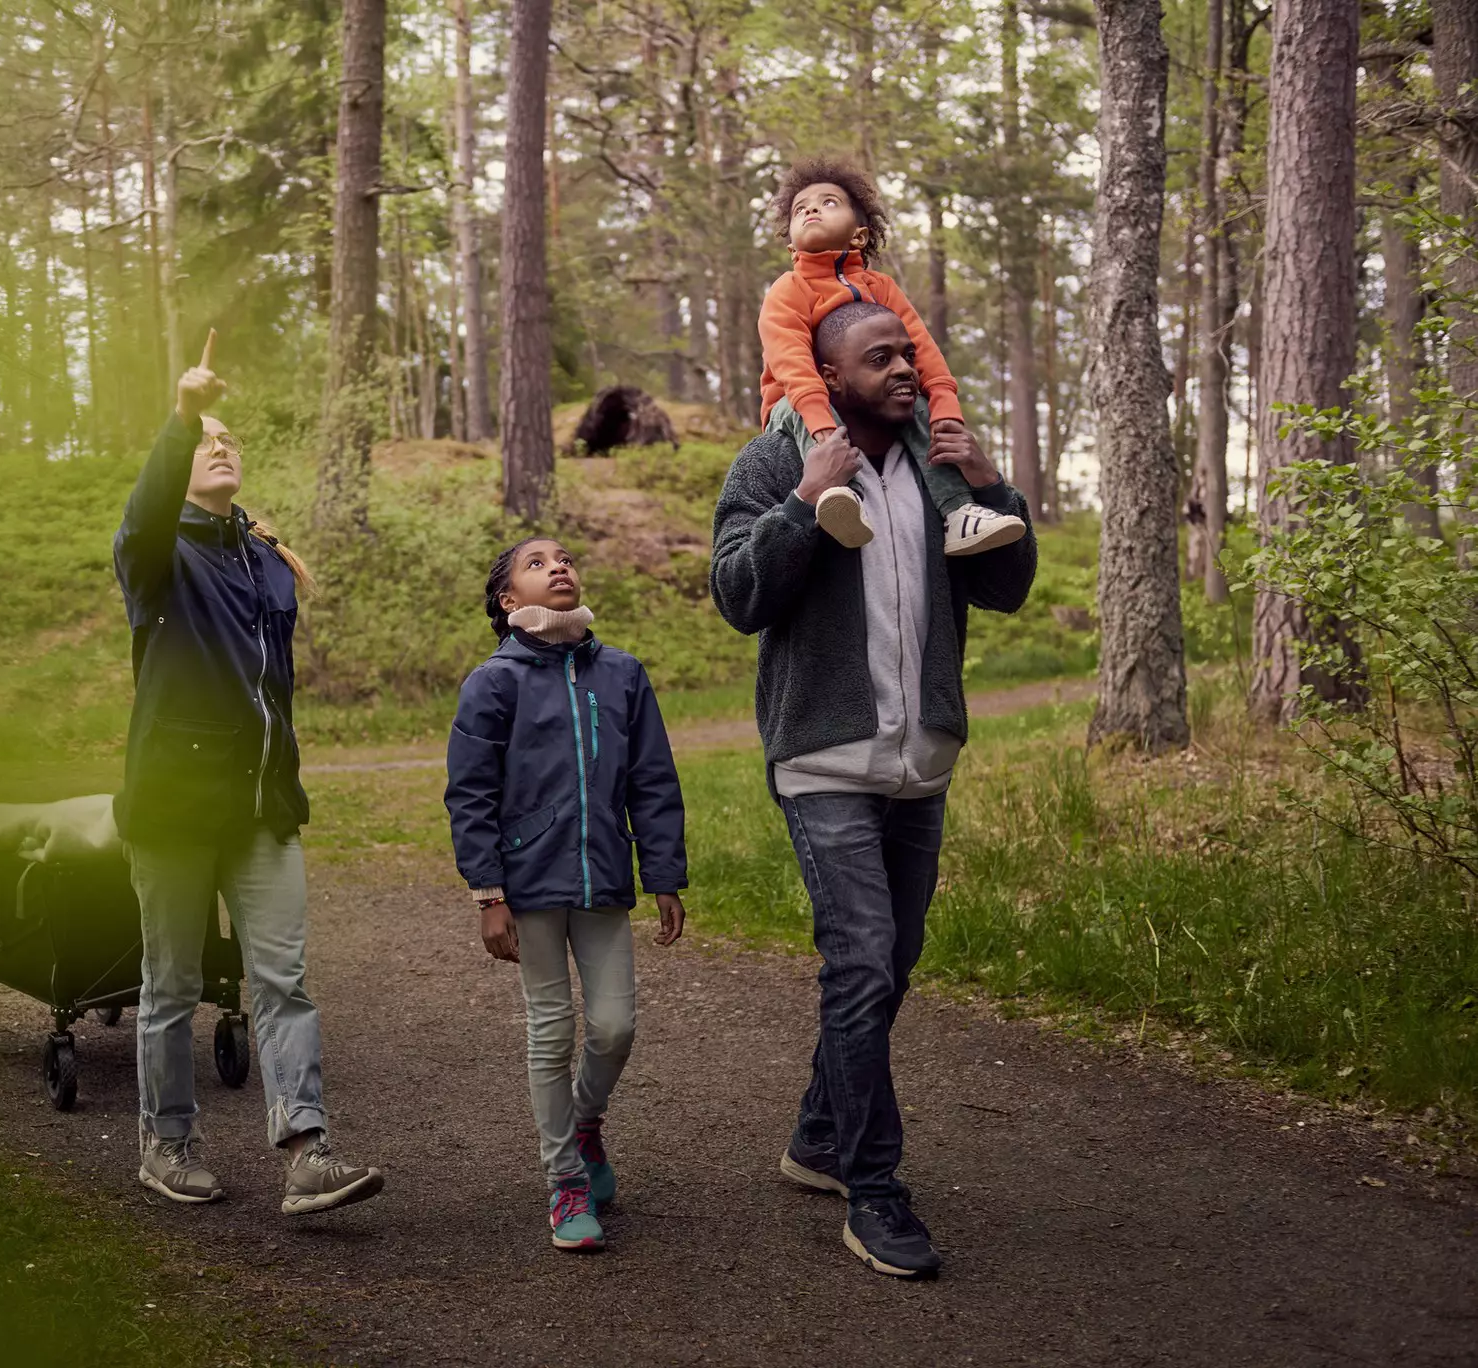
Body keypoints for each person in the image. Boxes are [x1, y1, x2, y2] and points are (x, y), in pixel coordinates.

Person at [710, 302, 1037, 1278]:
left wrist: (989, 482)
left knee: (891, 964)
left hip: (920, 759)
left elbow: (1007, 587)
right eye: (878, 356)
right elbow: (737, 593)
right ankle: (874, 1188)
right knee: (858, 963)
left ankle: (818, 1134)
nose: (904, 368)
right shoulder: (774, 461)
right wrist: (804, 503)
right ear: (825, 371)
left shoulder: (937, 464)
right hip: (821, 759)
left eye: (908, 352)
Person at [113, 331, 383, 1216]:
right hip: (176, 808)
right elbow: (143, 516)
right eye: (204, 441)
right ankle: (168, 1142)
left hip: (264, 808)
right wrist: (179, 416)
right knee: (171, 987)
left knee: (283, 980)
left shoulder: (264, 558)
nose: (220, 445)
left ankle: (308, 1149)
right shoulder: (159, 559)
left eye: (229, 438)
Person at [443, 537, 689, 1253]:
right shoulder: (493, 683)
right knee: (551, 1030)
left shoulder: (621, 674)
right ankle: (566, 1182)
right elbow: (470, 794)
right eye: (537, 561)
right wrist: (488, 892)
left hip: (605, 875)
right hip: (529, 884)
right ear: (508, 600)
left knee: (615, 1027)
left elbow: (653, 779)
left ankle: (584, 1124)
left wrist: (664, 874)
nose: (559, 566)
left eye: (565, 557)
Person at [758, 154, 1026, 559]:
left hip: (870, 408)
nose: (812, 208)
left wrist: (946, 412)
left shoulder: (881, 287)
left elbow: (923, 352)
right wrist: (823, 430)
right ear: (791, 240)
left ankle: (958, 513)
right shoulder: (788, 290)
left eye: (828, 202)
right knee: (799, 404)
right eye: (801, 208)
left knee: (919, 407)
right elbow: (792, 366)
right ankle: (838, 498)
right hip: (794, 406)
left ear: (859, 237)